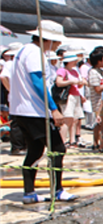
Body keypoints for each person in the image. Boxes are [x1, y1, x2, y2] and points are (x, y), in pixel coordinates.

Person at [9, 20, 77, 204]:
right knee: (58, 149)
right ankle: (57, 190)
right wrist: (54, 109)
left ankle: (29, 193)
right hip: (34, 111)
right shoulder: (34, 53)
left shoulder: (24, 51)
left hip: (21, 110)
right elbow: (38, 83)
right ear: (49, 39)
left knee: (35, 150)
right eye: (56, 42)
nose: (58, 46)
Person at [54, 52, 87, 148]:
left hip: (76, 95)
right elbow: (59, 83)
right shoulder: (62, 70)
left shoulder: (75, 71)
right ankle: (62, 141)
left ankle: (72, 140)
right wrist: (71, 81)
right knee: (67, 119)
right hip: (68, 97)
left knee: (75, 119)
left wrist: (81, 83)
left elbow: (78, 84)